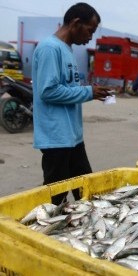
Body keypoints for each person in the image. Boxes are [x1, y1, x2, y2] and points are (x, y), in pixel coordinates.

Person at [32, 2, 111, 205]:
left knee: (85, 189)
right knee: (56, 195)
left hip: (73, 137)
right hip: (56, 138)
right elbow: (48, 91)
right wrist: (87, 92)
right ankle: (43, 232)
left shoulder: (67, 49)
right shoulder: (50, 48)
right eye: (90, 31)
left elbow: (67, 87)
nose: (90, 37)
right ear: (76, 23)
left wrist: (89, 90)